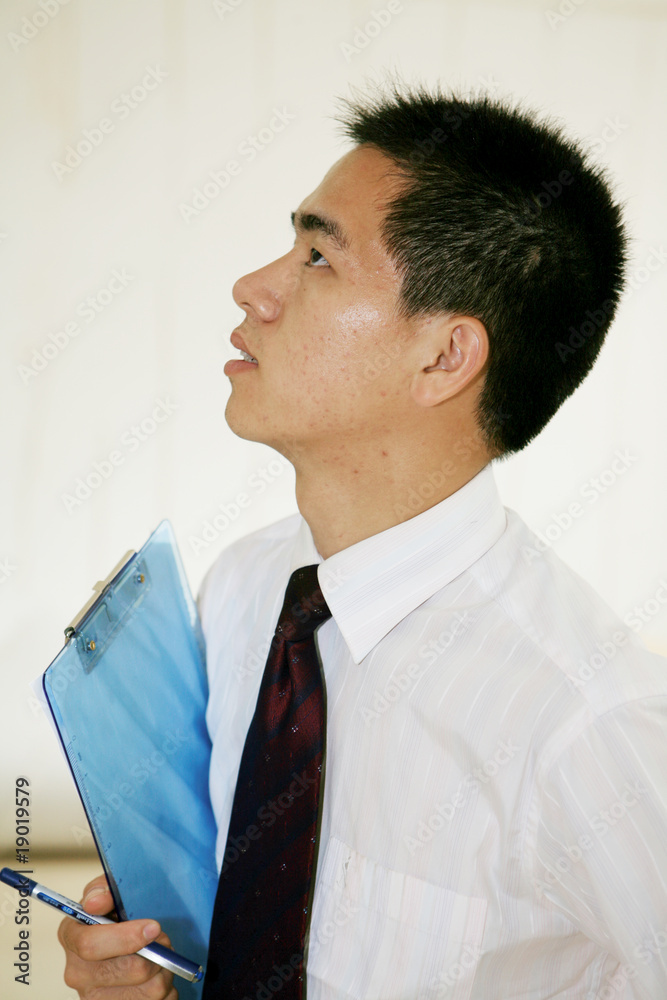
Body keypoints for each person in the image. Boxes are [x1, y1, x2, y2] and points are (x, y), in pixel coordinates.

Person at [59, 83, 667, 999]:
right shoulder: (245, 587)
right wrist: (146, 971)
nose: (253, 287)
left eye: (316, 256)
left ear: (444, 357)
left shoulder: (588, 720)